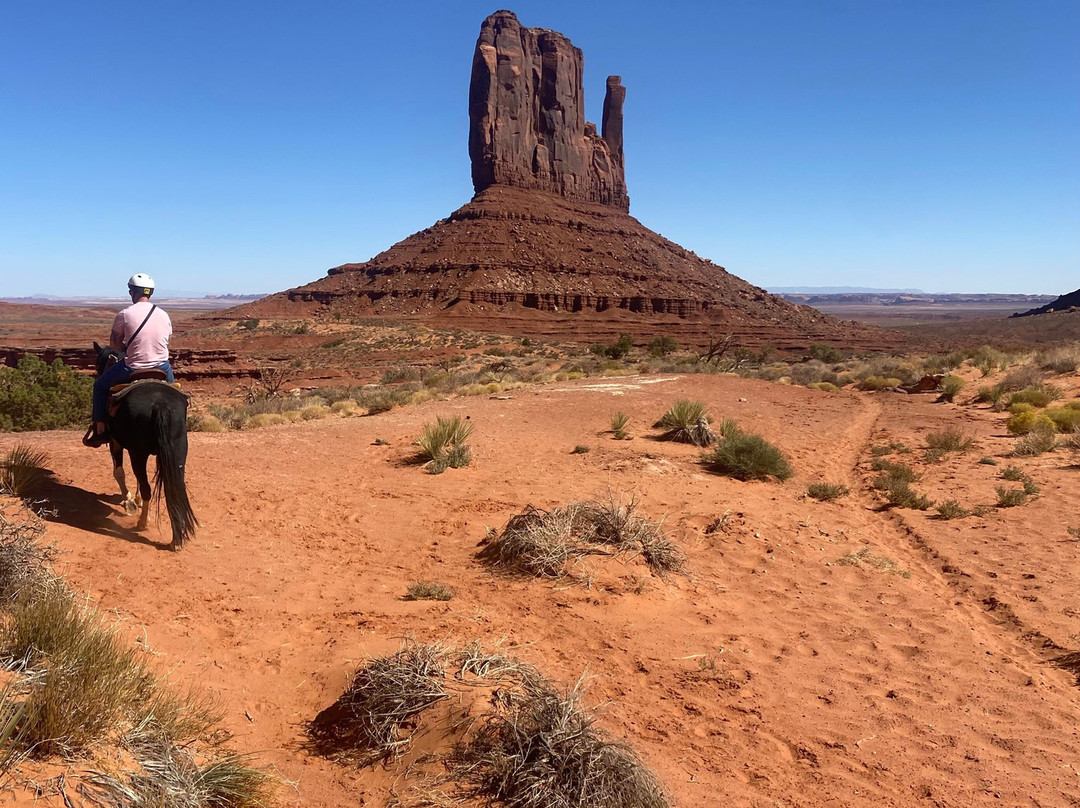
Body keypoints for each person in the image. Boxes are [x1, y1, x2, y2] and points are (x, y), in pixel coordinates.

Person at [83, 273, 175, 448]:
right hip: (162, 366)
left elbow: (114, 345)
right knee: (177, 395)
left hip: (132, 367)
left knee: (100, 387)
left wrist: (127, 349)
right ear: (150, 293)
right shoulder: (164, 315)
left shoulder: (124, 314)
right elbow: (167, 341)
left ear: (132, 292)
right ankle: (178, 425)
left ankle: (100, 431)